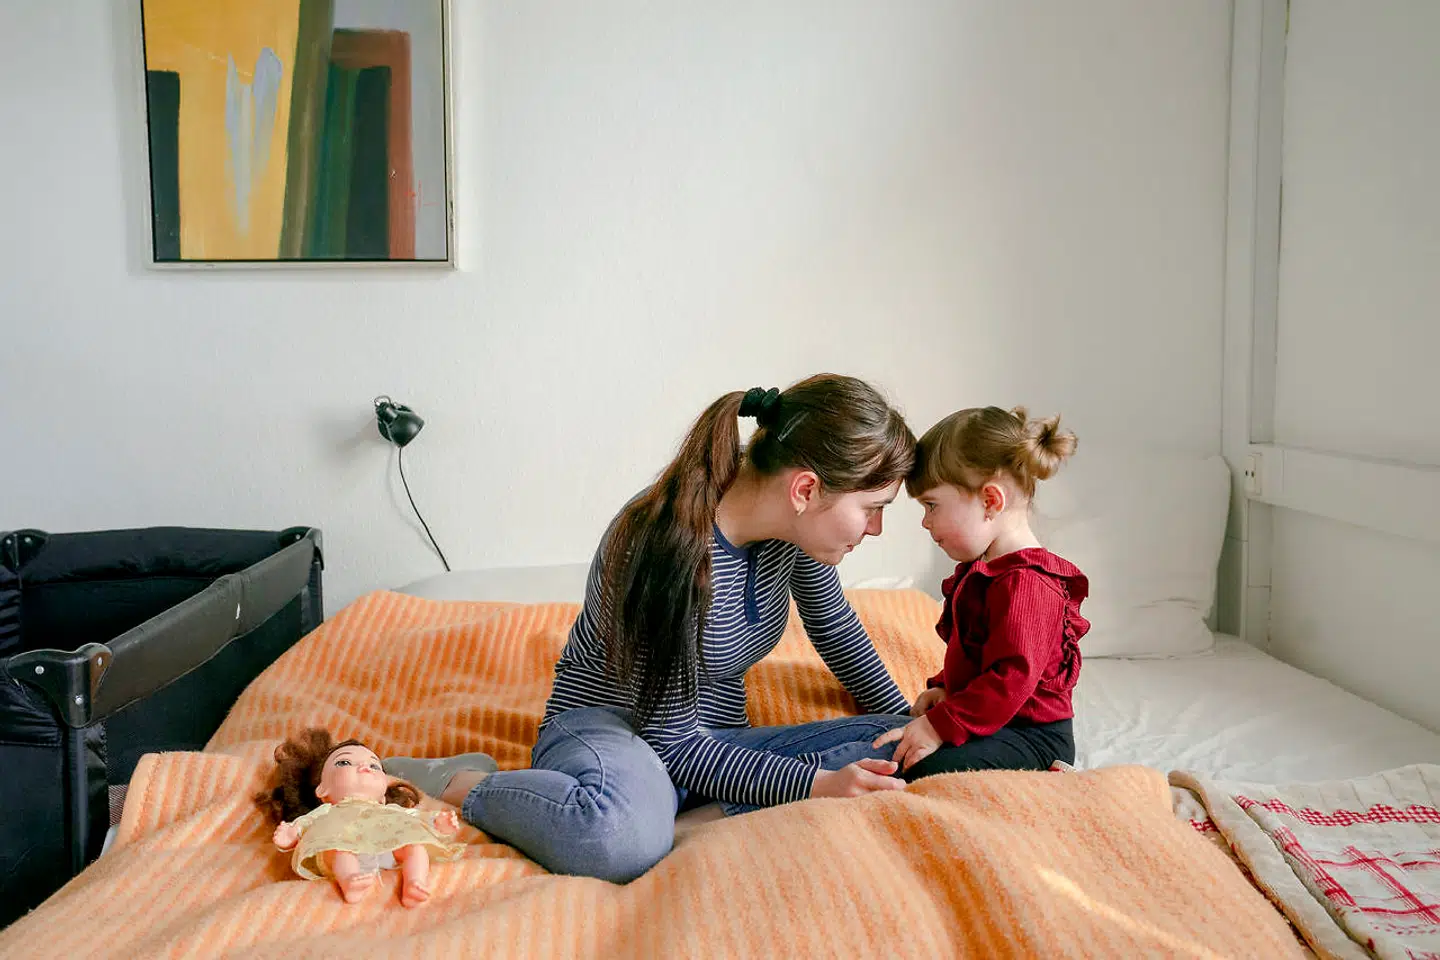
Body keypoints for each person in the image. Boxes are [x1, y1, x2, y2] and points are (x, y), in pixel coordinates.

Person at [385, 374, 918, 881]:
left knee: (907, 746)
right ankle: (461, 782)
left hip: (717, 743)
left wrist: (910, 720)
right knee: (614, 840)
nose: (875, 528)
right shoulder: (662, 546)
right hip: (619, 730)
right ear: (805, 489)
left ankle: (684, 819)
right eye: (872, 508)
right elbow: (673, 743)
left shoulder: (796, 536)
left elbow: (836, 629)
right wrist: (813, 783)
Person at [873, 406, 1089, 781]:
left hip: (1032, 738)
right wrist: (946, 688)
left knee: (917, 768)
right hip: (997, 722)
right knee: (897, 744)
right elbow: (980, 655)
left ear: (990, 500)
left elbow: (1010, 678)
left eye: (931, 505)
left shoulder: (1029, 583)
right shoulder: (988, 570)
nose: (925, 522)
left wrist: (941, 725)